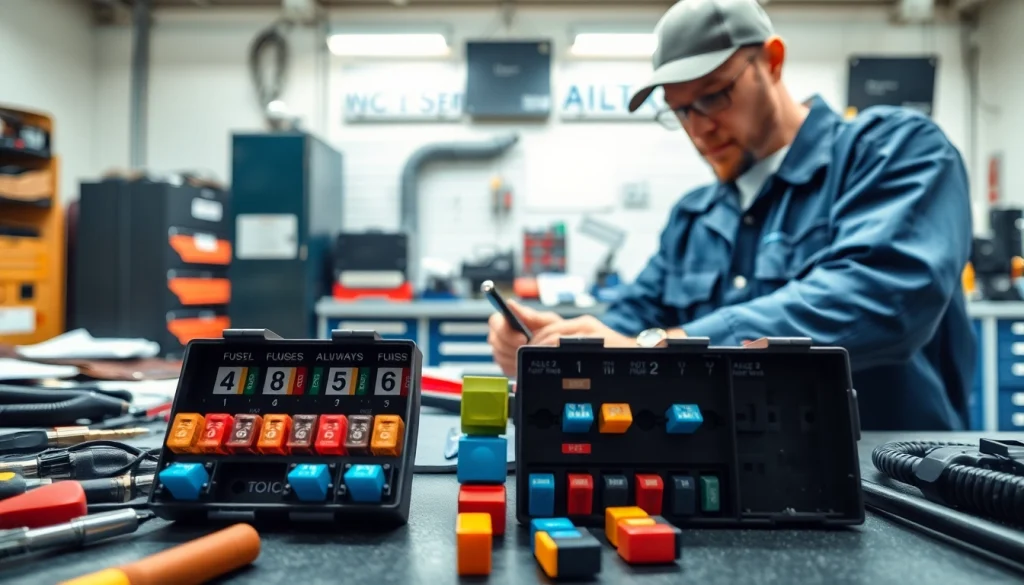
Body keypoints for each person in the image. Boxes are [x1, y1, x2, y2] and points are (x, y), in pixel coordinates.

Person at [487, 0, 975, 431]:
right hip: (732, 482)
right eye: (679, 111)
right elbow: (634, 321)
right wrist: (563, 342)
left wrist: (655, 350)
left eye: (714, 95)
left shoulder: (893, 151)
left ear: (773, 61)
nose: (699, 128)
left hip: (889, 486)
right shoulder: (694, 218)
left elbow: (880, 296)